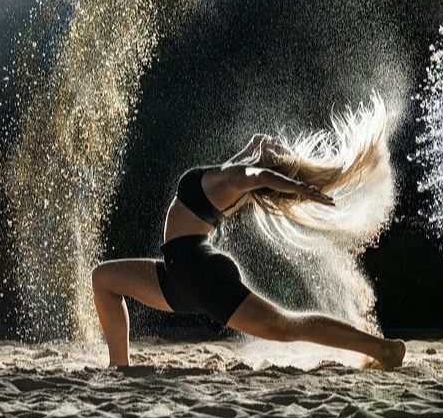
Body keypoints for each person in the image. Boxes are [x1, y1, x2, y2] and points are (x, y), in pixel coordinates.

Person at [92, 99, 406, 370]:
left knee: (285, 326)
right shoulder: (229, 179)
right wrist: (254, 149)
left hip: (198, 274)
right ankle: (120, 366)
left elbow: (257, 174)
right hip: (179, 275)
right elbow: (246, 166)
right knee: (104, 279)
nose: (277, 144)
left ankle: (383, 349)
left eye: (278, 152)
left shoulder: (239, 180)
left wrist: (297, 187)